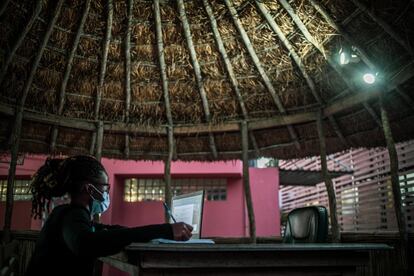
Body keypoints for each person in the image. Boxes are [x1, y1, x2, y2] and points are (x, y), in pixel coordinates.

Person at [25, 155, 193, 276]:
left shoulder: (66, 214)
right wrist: (165, 230)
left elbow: (107, 230)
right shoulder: (72, 216)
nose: (106, 195)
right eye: (105, 189)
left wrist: (154, 232)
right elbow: (86, 243)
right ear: (89, 189)